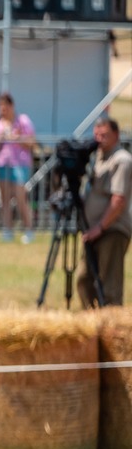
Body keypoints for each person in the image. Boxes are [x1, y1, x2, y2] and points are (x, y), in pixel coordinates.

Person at [81, 115, 132, 307]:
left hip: (112, 229)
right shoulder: (96, 159)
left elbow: (118, 200)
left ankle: (113, 330)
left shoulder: (122, 160)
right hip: (93, 230)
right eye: (96, 135)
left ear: (116, 135)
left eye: (104, 135)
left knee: (109, 286)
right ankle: (90, 327)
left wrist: (100, 228)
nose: (99, 139)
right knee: (84, 279)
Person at [0, 92, 36, 242]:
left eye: (5, 106)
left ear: (11, 106)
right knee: (5, 199)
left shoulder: (23, 121)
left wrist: (19, 138)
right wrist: (1, 137)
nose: (3, 110)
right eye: (0, 107)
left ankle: (29, 229)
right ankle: (7, 230)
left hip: (20, 164)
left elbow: (31, 143)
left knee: (21, 197)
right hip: (3, 164)